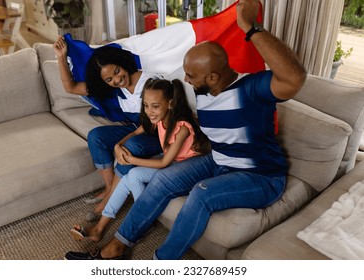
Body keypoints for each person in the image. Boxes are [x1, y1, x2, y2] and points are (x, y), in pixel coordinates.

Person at [64, 0, 307, 260]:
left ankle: (162, 262)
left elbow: (294, 77)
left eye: (190, 75)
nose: (186, 80)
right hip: (219, 161)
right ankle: (116, 247)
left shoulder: (251, 90)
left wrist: (250, 27)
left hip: (261, 177)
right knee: (163, 180)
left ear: (213, 77)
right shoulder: (202, 91)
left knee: (202, 194)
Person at [69, 78, 210, 242]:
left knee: (134, 174)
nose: (149, 111)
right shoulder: (158, 120)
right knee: (130, 177)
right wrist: (118, 145)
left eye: (155, 106)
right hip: (173, 165)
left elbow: (164, 163)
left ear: (170, 104)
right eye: (146, 105)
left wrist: (130, 159)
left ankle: (141, 222)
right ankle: (99, 228)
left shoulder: (182, 128)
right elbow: (136, 133)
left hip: (186, 171)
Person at [53, 37, 163, 220]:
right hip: (137, 129)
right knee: (96, 136)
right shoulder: (114, 88)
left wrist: (121, 143)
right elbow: (71, 87)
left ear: (122, 62)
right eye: (109, 79)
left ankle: (110, 197)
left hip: (157, 135)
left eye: (117, 71)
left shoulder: (148, 81)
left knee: (131, 144)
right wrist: (61, 58)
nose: (118, 79)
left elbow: (154, 122)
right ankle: (109, 187)